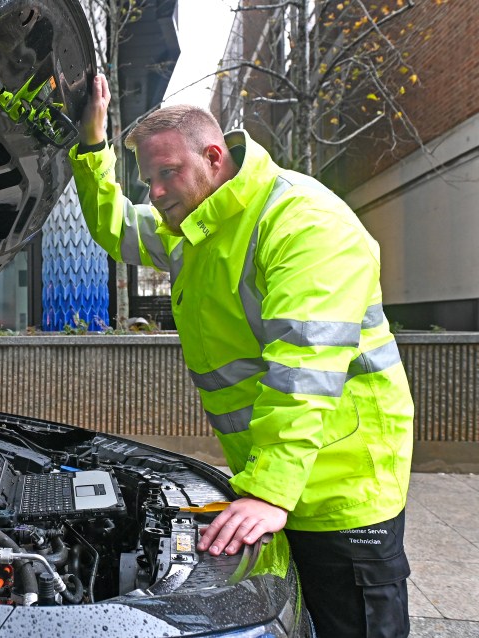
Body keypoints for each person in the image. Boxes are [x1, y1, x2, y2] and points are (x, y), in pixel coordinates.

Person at [70, 73, 414, 638]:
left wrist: (268, 493)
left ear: (212, 157)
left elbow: (305, 367)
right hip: (277, 476)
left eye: (166, 174)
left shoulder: (302, 222)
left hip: (341, 485)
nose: (154, 192)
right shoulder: (196, 227)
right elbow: (117, 229)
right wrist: (90, 147)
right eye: (148, 178)